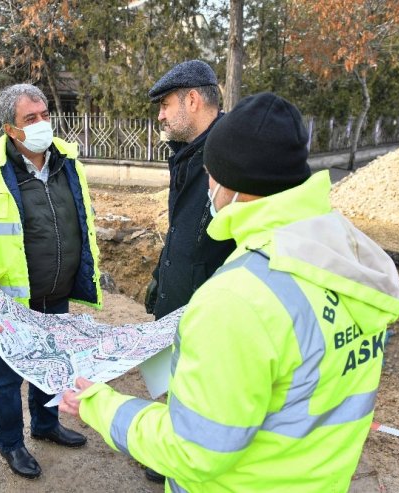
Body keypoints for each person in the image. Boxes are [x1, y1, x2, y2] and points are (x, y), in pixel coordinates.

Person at [60, 92, 399, 492]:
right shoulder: (349, 262)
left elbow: (193, 451)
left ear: (230, 182)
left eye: (210, 171)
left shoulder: (237, 300)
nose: (208, 183)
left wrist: (102, 406)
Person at [0, 83, 101, 479]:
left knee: (51, 362)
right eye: (30, 119)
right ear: (11, 129)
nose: (42, 124)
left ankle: (46, 423)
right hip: (10, 298)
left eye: (44, 115)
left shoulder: (67, 163)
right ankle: (11, 443)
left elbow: (82, 221)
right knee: (8, 375)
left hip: (57, 287)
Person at [142, 59, 235, 483]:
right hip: (179, 297)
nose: (160, 115)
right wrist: (163, 279)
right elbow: (183, 229)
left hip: (211, 309)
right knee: (174, 384)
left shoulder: (232, 154)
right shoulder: (186, 155)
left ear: (192, 100)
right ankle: (169, 451)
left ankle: (185, 464)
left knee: (203, 393)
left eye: (165, 104)